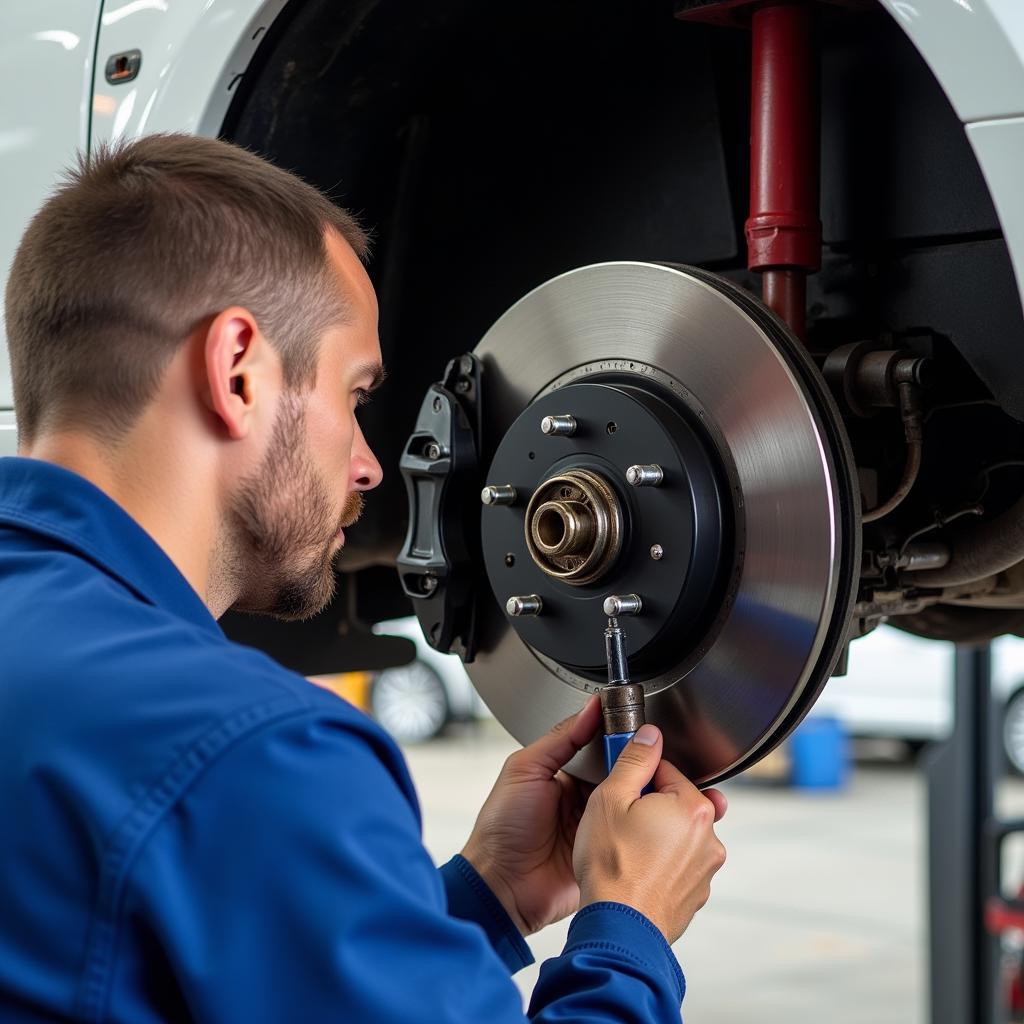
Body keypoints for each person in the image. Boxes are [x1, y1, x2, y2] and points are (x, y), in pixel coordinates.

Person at [0, 133, 727, 1022]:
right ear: (237, 371)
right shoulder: (251, 751)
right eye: (353, 394)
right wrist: (630, 926)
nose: (372, 467)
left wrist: (487, 892)